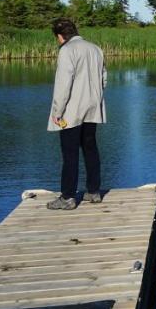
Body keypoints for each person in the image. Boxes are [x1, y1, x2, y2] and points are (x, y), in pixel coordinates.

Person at [47, 18, 107, 210]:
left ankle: (67, 197)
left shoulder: (67, 51)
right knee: (90, 148)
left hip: (71, 110)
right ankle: (93, 191)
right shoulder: (95, 48)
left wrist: (58, 111)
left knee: (69, 152)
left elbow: (63, 85)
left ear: (59, 36)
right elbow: (104, 78)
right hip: (92, 107)